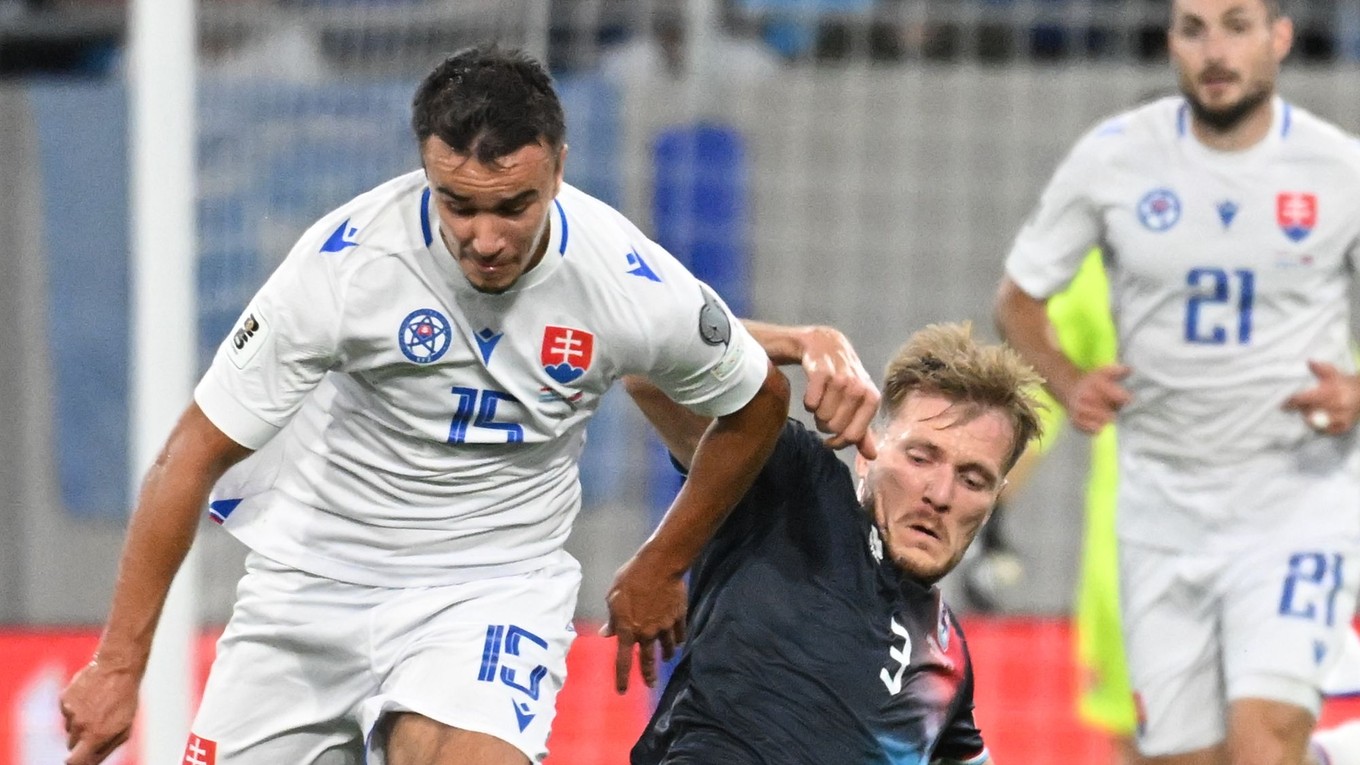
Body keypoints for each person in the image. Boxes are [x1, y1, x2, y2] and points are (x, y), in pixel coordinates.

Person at [57, 46, 880, 765]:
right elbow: (188, 456)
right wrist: (120, 665)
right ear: (427, 169)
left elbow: (757, 403)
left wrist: (664, 558)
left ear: (557, 165)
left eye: (512, 206)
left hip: (490, 586)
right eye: (459, 203)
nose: (484, 236)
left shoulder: (627, 278)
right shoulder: (344, 266)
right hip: (312, 578)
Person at [994, 0, 1360, 762]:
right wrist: (1061, 386)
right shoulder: (1107, 210)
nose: (1215, 49)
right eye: (1194, 29)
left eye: (1235, 25)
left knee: (1268, 731)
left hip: (1293, 507)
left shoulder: (1334, 171)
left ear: (1279, 38)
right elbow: (1021, 318)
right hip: (1154, 520)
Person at [627, 322, 1044, 764]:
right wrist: (801, 342)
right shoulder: (797, 492)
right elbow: (647, 350)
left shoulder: (948, 653)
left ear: (993, 501)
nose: (940, 495)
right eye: (921, 457)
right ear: (868, 454)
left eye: (972, 479)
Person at [1001, 250, 1139, 763]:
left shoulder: (1276, 247)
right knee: (1137, 737)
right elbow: (1042, 391)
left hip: (1256, 538)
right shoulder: (1104, 265)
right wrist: (985, 498)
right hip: (1130, 546)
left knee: (1258, 729)